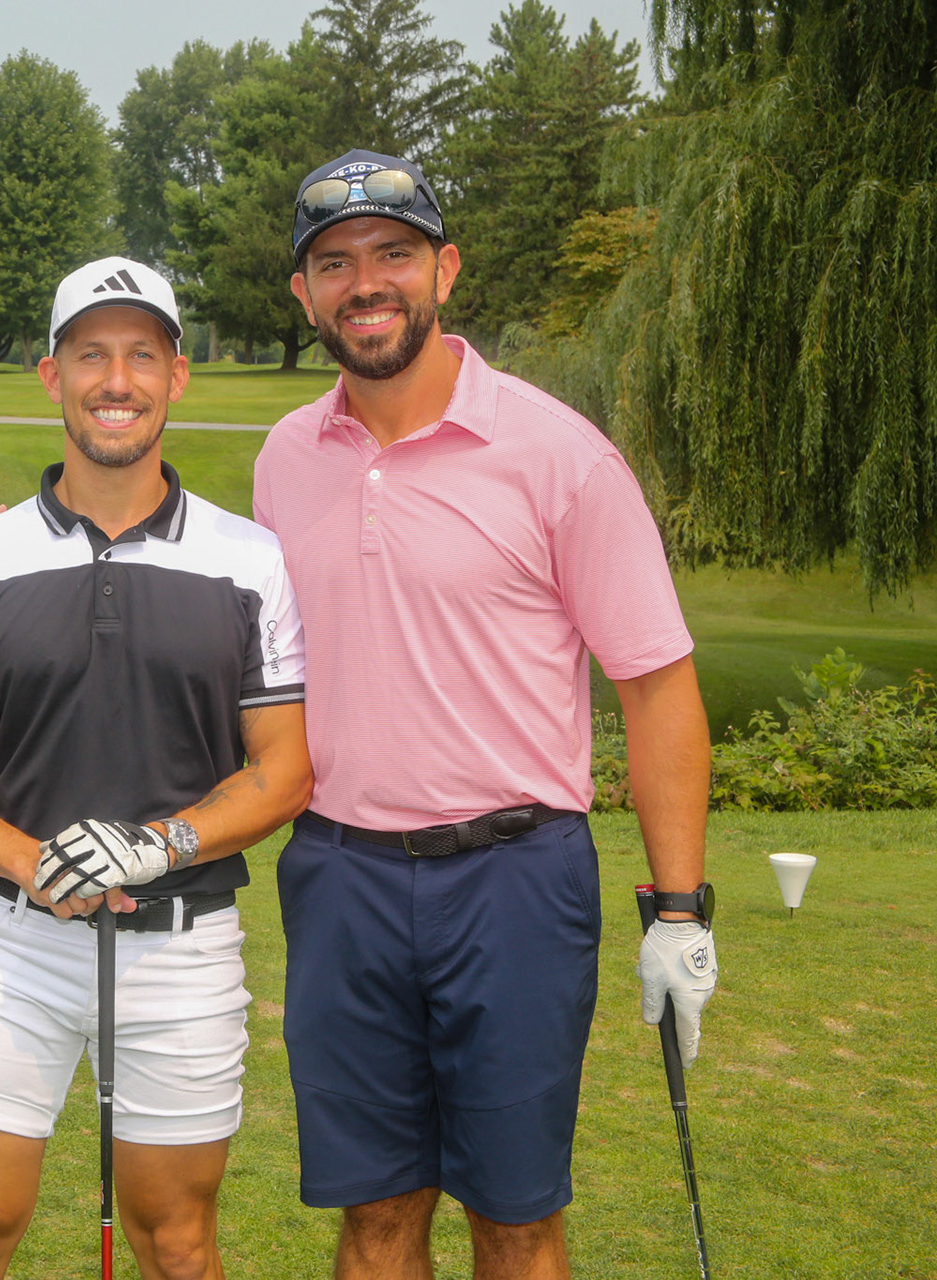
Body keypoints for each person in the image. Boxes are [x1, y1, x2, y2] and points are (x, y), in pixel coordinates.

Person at [252, 151, 717, 1280]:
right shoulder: (285, 457)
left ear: (445, 270)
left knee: (515, 1219)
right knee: (373, 1217)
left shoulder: (561, 455)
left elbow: (656, 683)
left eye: (394, 254)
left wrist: (679, 907)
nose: (367, 282)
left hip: (514, 880)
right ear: (304, 295)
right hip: (342, 876)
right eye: (335, 264)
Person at [0, 257, 315, 1280]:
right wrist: (32, 860)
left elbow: (285, 767)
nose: (116, 381)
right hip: (7, 943)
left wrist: (158, 844)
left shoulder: (249, 559)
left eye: (141, 356)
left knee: (179, 1245)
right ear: (52, 375)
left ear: (176, 376)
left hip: (181, 947)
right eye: (90, 356)